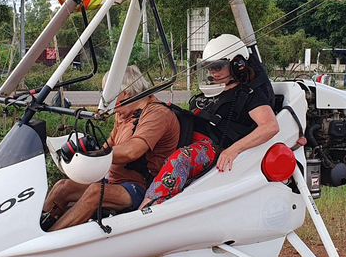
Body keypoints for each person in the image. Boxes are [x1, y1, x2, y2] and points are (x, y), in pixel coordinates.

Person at [139, 34, 279, 207]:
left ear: (238, 65)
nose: (213, 72)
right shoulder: (212, 91)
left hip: (212, 147)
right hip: (188, 138)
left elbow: (270, 126)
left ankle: (145, 209)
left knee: (181, 158)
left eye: (218, 67)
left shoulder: (249, 95)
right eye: (209, 67)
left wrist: (233, 150)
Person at [43, 65, 180, 230]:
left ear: (126, 94)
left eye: (110, 98)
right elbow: (108, 147)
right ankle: (34, 230)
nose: (110, 106)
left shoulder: (157, 114)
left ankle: (48, 240)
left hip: (141, 187)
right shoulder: (125, 114)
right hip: (114, 180)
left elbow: (132, 151)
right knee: (62, 187)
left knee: (96, 192)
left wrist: (92, 154)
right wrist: (83, 156)